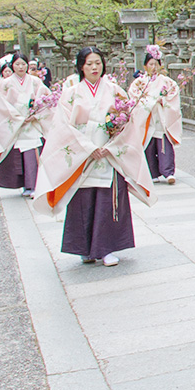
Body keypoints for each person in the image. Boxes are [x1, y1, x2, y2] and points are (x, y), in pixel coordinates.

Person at [33, 47, 154, 267]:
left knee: (108, 201)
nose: (94, 67)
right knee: (83, 201)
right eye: (89, 63)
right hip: (84, 155)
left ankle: (107, 248)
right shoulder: (71, 94)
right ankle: (85, 248)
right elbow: (62, 127)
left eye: (97, 62)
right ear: (81, 66)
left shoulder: (116, 91)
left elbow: (128, 123)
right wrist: (88, 147)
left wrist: (111, 144)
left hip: (109, 152)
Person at [0, 54, 51, 197]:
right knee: (17, 155)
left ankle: (34, 185)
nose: (21, 67)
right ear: (12, 65)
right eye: (17, 64)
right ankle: (24, 184)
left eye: (23, 64)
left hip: (33, 122)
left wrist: (35, 114)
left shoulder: (35, 81)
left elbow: (46, 99)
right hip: (15, 124)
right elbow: (0, 105)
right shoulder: (5, 83)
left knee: (32, 154)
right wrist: (17, 117)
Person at [129, 46, 182, 185]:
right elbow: (135, 99)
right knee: (148, 144)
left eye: (156, 64)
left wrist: (163, 100)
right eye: (150, 64)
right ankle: (151, 173)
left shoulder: (167, 82)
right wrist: (152, 102)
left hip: (161, 117)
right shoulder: (139, 83)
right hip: (147, 118)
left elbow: (173, 96)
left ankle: (168, 172)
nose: (153, 67)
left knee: (164, 144)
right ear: (145, 66)